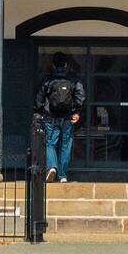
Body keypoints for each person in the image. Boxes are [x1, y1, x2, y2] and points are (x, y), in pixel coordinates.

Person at [34, 52, 86, 183]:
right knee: (66, 145)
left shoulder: (48, 80)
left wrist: (39, 112)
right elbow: (81, 97)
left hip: (50, 117)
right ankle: (63, 176)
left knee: (50, 143)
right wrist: (77, 112)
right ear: (66, 64)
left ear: (52, 65)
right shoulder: (73, 79)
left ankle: (52, 167)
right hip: (68, 118)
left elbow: (39, 99)